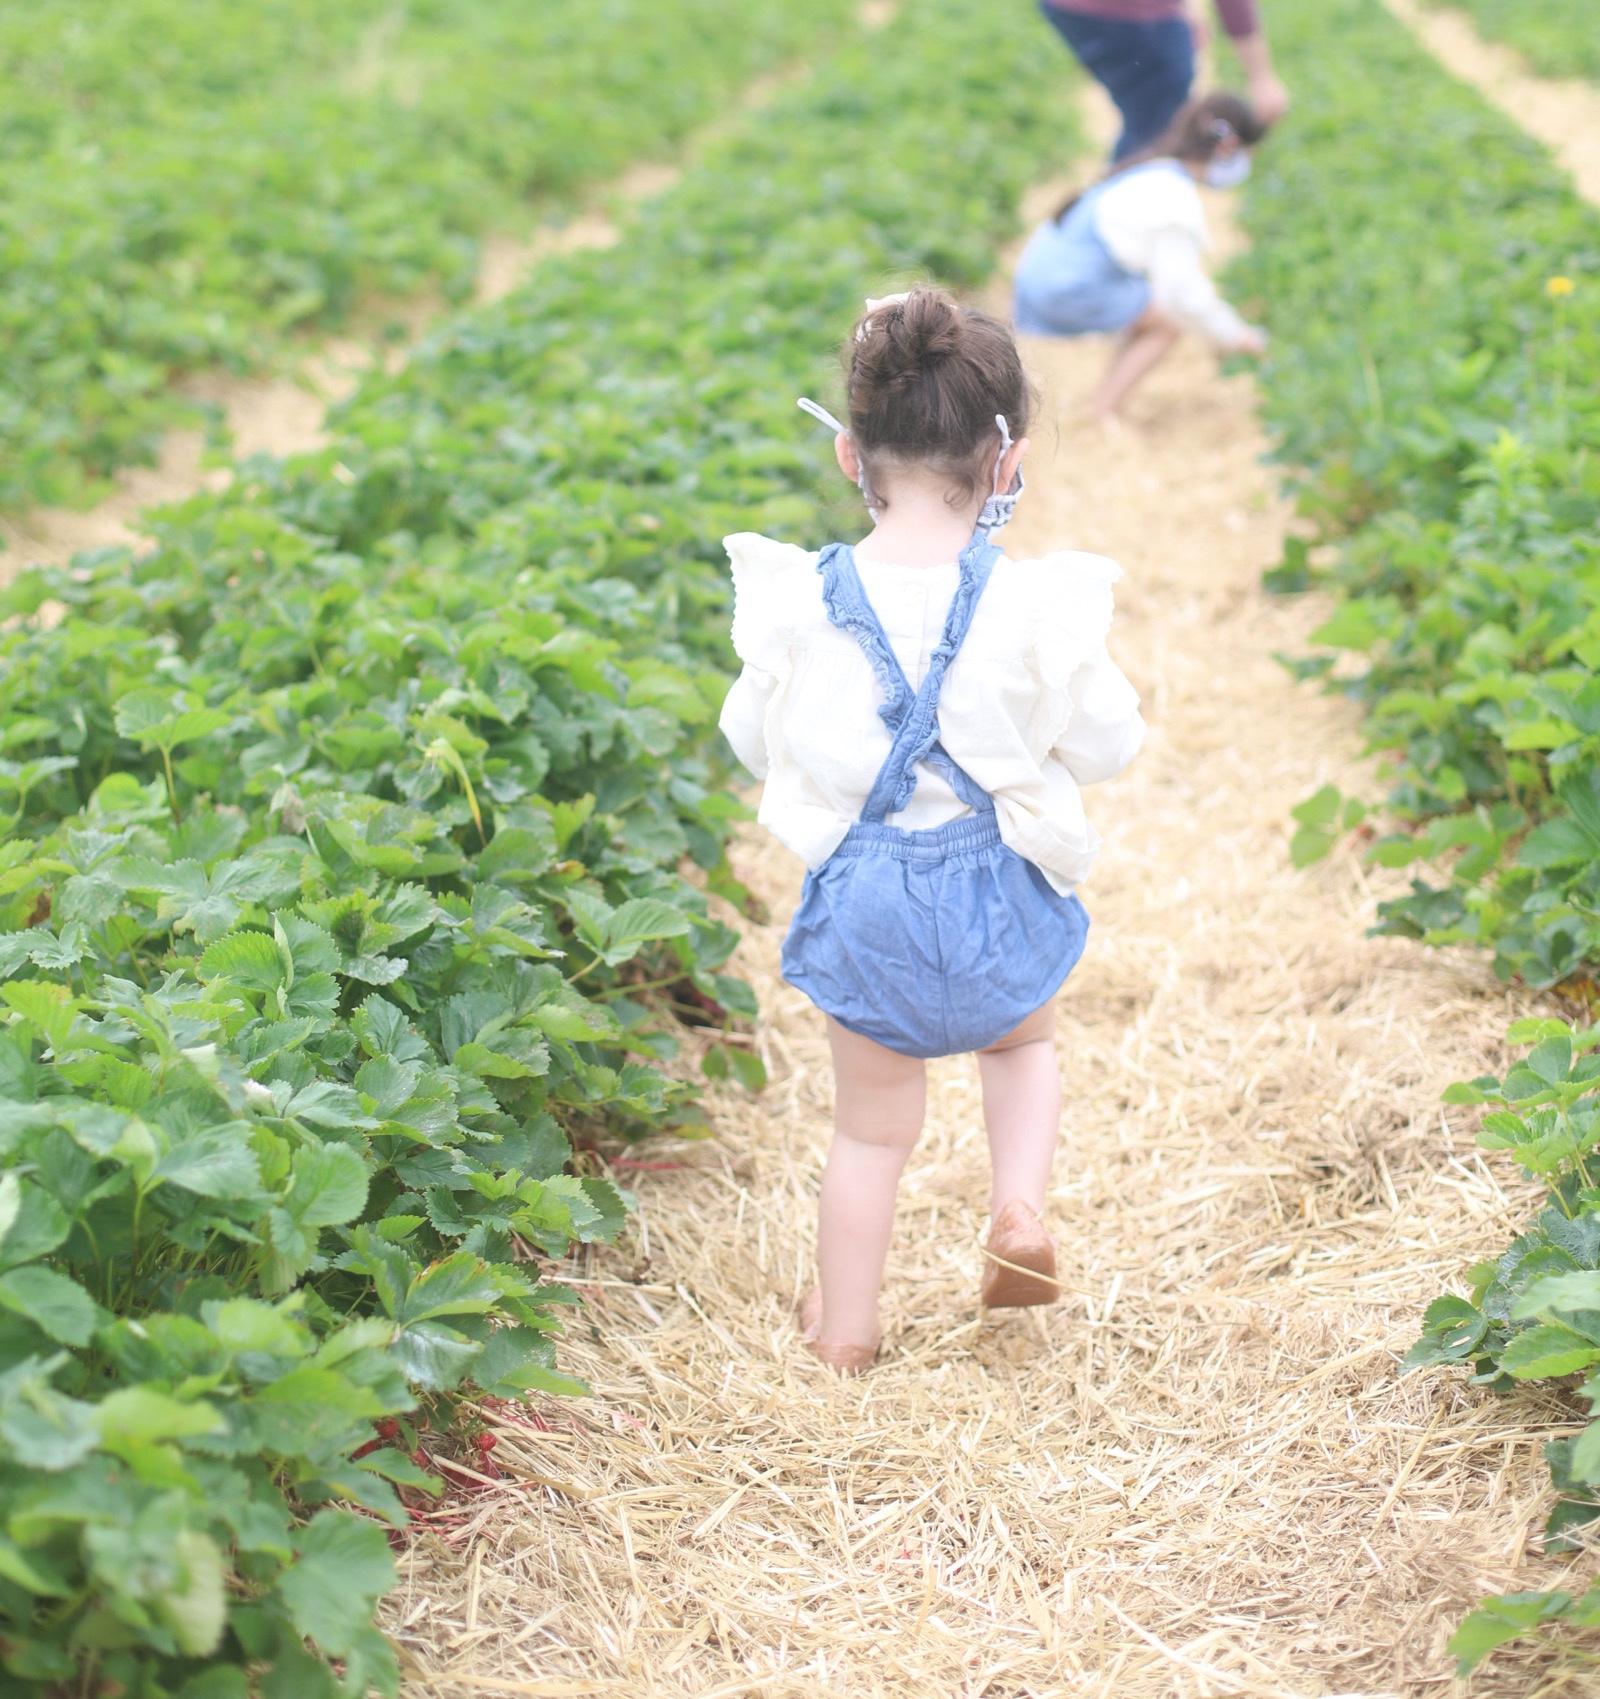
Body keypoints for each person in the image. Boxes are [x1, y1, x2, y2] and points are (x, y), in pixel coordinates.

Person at [718, 289, 1144, 1373]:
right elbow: (1104, 743)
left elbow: (748, 740)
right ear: (1006, 464)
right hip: (995, 882)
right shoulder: (1035, 604)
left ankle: (847, 1332)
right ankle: (1016, 1206)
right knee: (1024, 1039)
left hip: (869, 906)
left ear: (850, 456)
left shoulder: (804, 601)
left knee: (868, 1133)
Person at [1012, 93, 1269, 423]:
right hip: (1064, 287)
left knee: (1147, 306)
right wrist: (1237, 336)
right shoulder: (1173, 197)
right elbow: (1182, 293)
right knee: (1168, 321)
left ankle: (1101, 403)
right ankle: (1103, 409)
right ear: (1227, 148)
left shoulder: (1155, 169)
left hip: (1038, 274)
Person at [1041, 0, 1289, 161]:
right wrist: (1260, 76)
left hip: (1071, 8)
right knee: (1158, 136)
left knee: (1151, 121)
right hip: (1125, 14)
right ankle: (1111, 227)